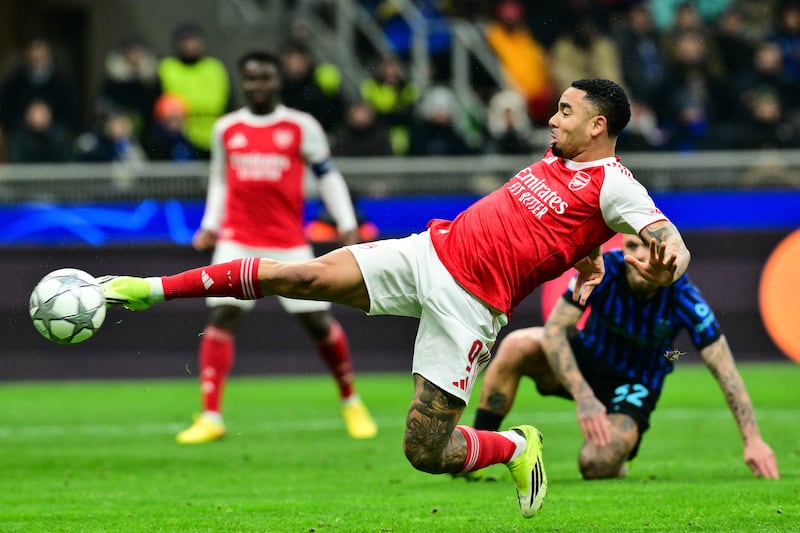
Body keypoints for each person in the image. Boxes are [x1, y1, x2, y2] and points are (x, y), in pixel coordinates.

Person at [100, 78, 692, 518]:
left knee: (424, 450)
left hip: (472, 307)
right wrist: (586, 258)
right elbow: (565, 226)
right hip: (428, 252)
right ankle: (150, 291)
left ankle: (513, 446)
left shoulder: (616, 183)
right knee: (302, 277)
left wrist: (671, 255)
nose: (552, 120)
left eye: (565, 112)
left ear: (598, 126)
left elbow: (662, 235)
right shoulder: (558, 159)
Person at [154, 51, 377, 444]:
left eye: (266, 78)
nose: (259, 85)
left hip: (289, 243)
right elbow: (220, 180)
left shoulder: (301, 126)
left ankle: (351, 401)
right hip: (237, 239)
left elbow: (327, 175)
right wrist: (209, 225)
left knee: (317, 322)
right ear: (244, 83)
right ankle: (210, 416)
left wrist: (346, 222)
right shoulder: (227, 128)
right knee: (222, 317)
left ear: (277, 81)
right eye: (252, 79)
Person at [469, 234, 780, 481]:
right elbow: (554, 332)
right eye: (632, 246)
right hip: (587, 362)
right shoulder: (604, 269)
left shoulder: (683, 296)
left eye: (650, 248)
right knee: (518, 344)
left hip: (634, 385)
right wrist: (583, 395)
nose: (640, 257)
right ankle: (478, 454)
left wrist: (753, 440)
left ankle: (619, 456)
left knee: (594, 464)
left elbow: (724, 369)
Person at [157, 22, 232, 158]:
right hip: (180, 140)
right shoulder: (167, 68)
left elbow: (230, 104)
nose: (191, 45)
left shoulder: (215, 68)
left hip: (216, 138)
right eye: (186, 40)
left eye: (194, 40)